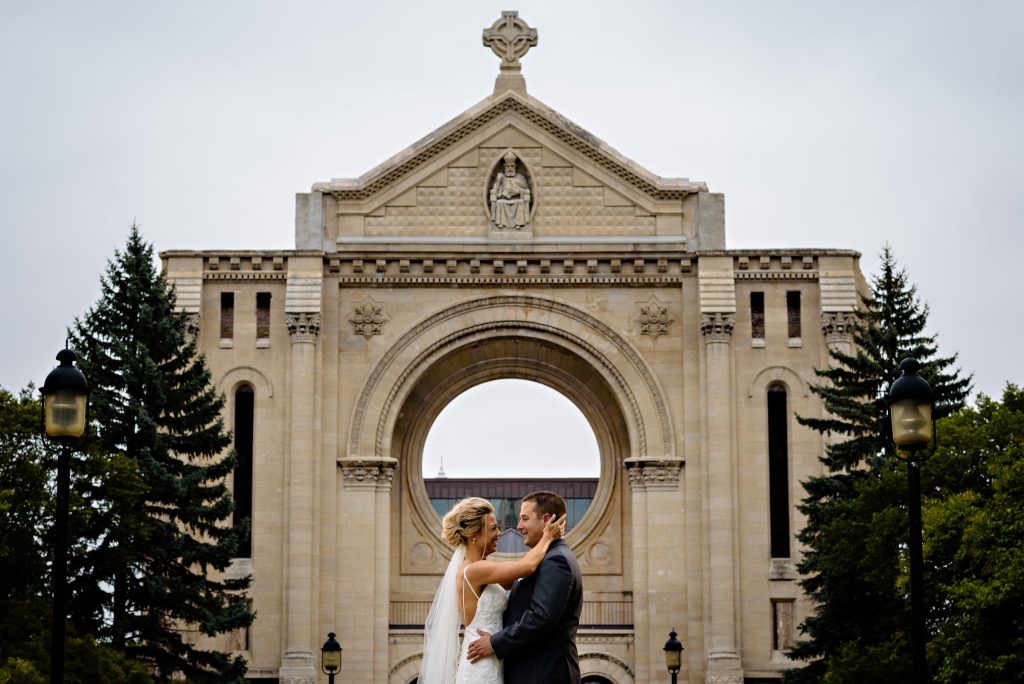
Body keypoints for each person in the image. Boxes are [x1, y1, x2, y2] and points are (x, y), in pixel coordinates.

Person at [418, 496, 565, 684]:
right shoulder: (474, 570)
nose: (500, 533)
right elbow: (527, 567)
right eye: (493, 528)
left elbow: (522, 579)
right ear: (474, 534)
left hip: (490, 656)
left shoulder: (482, 568)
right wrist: (548, 537)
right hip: (481, 663)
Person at [466, 491, 583, 684]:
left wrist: (495, 643)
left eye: (524, 519)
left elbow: (541, 617)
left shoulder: (556, 561)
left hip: (545, 674)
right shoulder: (546, 558)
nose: (518, 526)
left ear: (546, 520)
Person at [489, 152, 531, 229]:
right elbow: (495, 189)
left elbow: (526, 190)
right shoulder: (501, 177)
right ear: (505, 167)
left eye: (512, 166)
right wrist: (500, 188)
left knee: (520, 202)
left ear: (515, 167)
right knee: (500, 202)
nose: (510, 168)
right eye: (508, 166)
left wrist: (518, 192)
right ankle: (500, 223)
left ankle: (519, 223)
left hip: (517, 199)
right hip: (504, 199)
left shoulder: (520, 177)